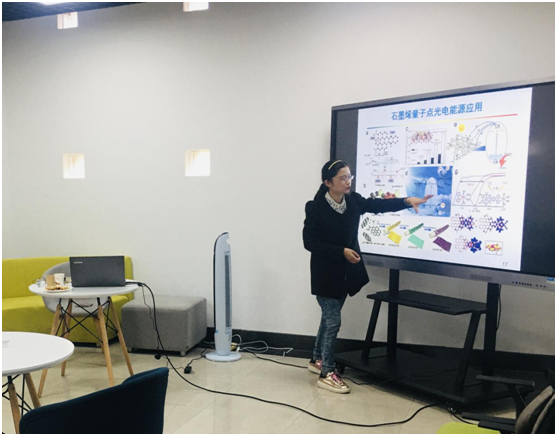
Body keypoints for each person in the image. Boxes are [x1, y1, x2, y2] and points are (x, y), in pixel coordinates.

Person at [302, 159, 432, 394]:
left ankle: (317, 358)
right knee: (333, 320)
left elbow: (377, 205)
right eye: (343, 178)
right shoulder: (315, 207)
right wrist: (340, 252)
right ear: (328, 183)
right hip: (325, 274)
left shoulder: (352, 201)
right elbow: (310, 242)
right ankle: (327, 372)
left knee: (329, 318)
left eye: (349, 177)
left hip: (346, 273)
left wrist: (406, 201)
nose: (348, 182)